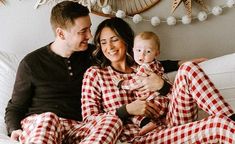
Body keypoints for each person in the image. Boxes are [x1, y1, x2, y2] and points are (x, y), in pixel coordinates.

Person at [81, 17, 235, 143]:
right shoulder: (95, 74)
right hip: (141, 137)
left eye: (114, 40)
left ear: (126, 41)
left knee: (188, 68)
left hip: (171, 124)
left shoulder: (148, 66)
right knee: (220, 125)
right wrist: (126, 110)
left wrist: (162, 86)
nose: (110, 47)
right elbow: (89, 120)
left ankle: (232, 118)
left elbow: (173, 97)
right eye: (103, 42)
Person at [4, 1, 123, 143]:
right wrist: (14, 129)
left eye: (89, 29)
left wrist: (157, 82)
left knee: (112, 121)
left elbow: (136, 63)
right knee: (49, 118)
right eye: (82, 31)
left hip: (80, 127)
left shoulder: (94, 55)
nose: (90, 36)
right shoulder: (31, 63)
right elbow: (15, 107)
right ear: (60, 33)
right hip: (43, 125)